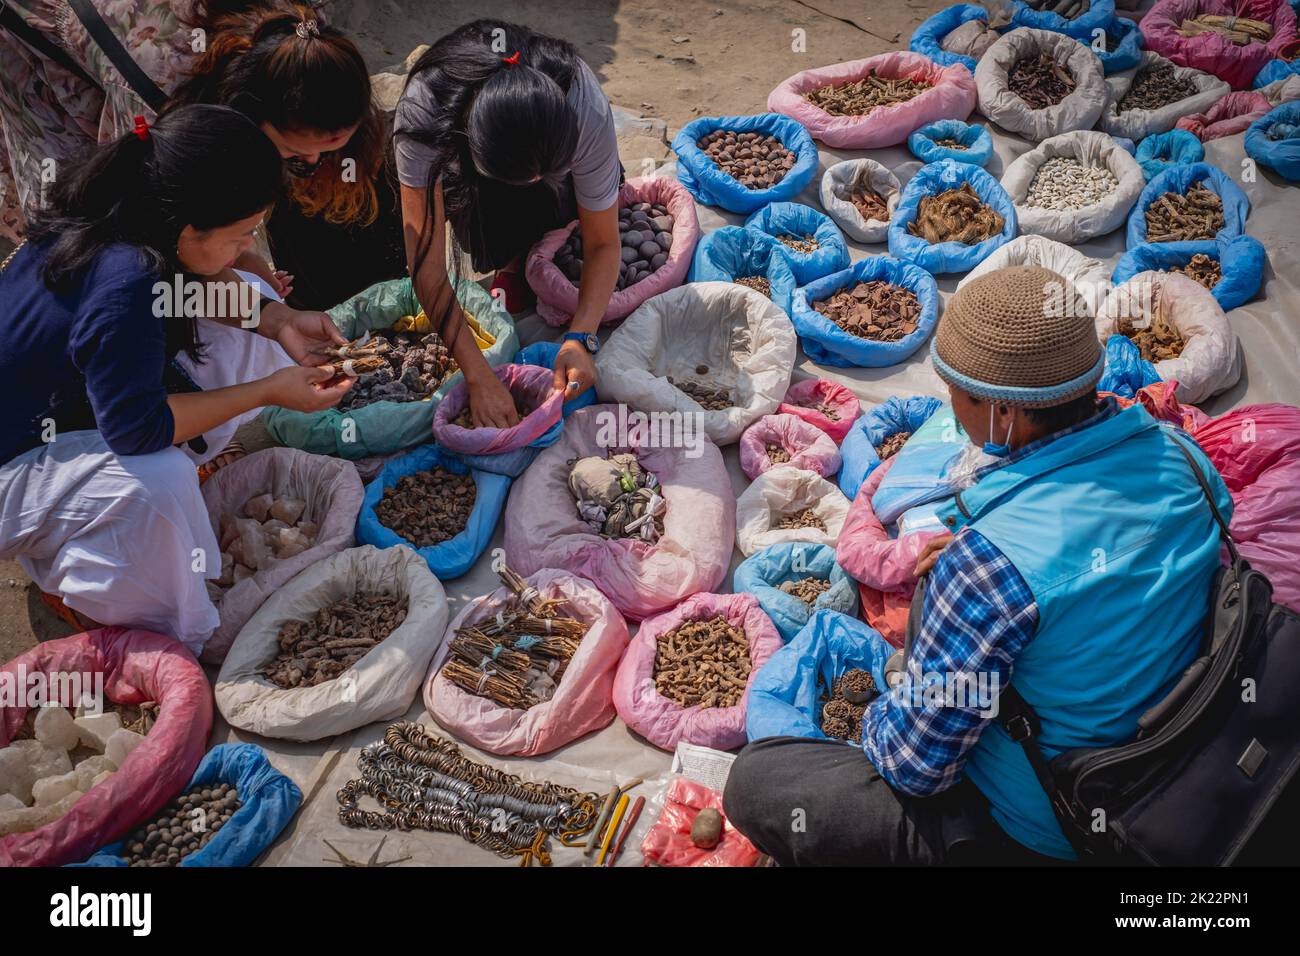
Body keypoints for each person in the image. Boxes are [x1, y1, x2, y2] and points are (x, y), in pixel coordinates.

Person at [723, 266, 1233, 865]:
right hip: (1185, 747)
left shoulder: (985, 570)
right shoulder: (1183, 456)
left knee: (757, 782)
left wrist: (887, 695)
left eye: (955, 394)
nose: (950, 408)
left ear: (1002, 413)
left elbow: (915, 768)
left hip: (1062, 823)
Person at [0, 104, 352, 655]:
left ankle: (161, 506)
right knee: (156, 482)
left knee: (257, 311)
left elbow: (188, 291)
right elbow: (138, 431)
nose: (247, 250)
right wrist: (268, 391)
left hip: (62, 409)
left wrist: (282, 321)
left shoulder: (128, 213)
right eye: (240, 235)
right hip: (12, 468)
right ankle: (111, 597)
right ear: (189, 226)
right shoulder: (126, 281)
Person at [0, 0, 401, 311]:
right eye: (295, 154)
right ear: (245, 113)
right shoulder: (159, 100)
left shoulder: (298, 41)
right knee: (82, 226)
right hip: (43, 27)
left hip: (126, 32)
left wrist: (245, 262)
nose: (312, 165)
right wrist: (255, 302)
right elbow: (155, 226)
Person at [394, 19, 623, 426]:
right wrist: (478, 376)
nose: (533, 186)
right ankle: (511, 260)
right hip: (475, 174)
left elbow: (603, 243)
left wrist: (579, 337)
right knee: (490, 229)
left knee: (571, 206)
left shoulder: (582, 102)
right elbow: (425, 264)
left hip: (531, 159)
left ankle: (532, 246)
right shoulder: (426, 111)